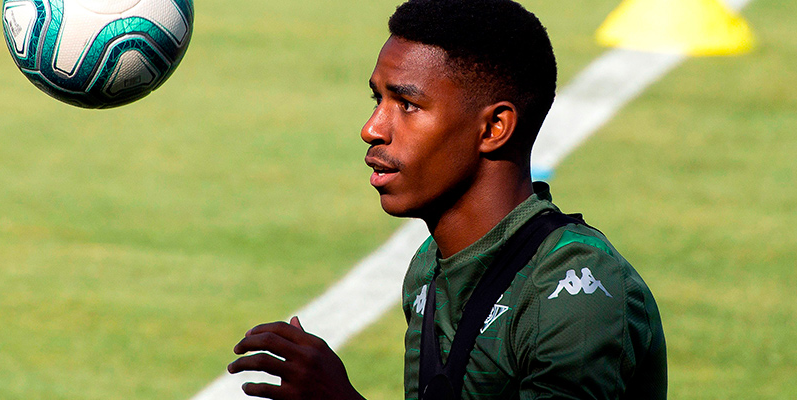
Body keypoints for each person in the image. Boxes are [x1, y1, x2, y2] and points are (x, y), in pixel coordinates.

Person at [227, 0, 667, 398]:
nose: (372, 128)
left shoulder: (573, 290)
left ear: (494, 128)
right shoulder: (427, 268)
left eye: (407, 105)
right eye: (377, 98)